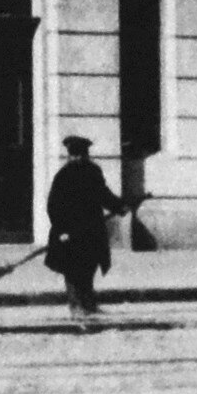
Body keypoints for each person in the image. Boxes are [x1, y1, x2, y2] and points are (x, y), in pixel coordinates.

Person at [45, 134, 134, 322]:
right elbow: (54, 205)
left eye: (81, 154)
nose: (78, 158)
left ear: (87, 154)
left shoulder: (93, 172)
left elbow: (103, 194)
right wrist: (62, 230)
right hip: (70, 231)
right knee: (72, 269)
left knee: (89, 266)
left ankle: (89, 304)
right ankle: (76, 306)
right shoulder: (63, 176)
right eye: (74, 154)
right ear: (69, 155)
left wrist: (119, 206)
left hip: (91, 228)